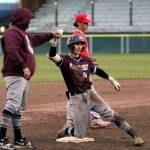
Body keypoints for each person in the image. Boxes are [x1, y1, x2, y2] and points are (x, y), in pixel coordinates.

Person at [48, 34, 144, 146]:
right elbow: (52, 56)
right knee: (80, 134)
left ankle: (135, 136)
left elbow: (97, 70)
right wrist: (55, 41)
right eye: (76, 44)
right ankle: (66, 131)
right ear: (70, 46)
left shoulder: (86, 60)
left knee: (112, 115)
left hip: (91, 94)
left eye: (81, 44)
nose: (79, 46)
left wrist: (111, 79)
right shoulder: (65, 60)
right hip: (77, 99)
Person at [0, 7, 61, 150]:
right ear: (22, 19)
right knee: (12, 105)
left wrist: (51, 34)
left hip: (22, 76)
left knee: (18, 108)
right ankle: (1, 138)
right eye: (28, 19)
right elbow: (11, 50)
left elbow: (35, 39)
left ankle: (18, 138)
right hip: (16, 73)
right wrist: (23, 66)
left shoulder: (21, 33)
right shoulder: (12, 33)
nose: (29, 21)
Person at [66, 12, 111, 129]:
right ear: (79, 23)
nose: (87, 25)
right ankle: (93, 120)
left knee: (78, 94)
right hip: (81, 70)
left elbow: (81, 54)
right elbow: (75, 54)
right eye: (85, 23)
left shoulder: (80, 34)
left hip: (83, 68)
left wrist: (89, 60)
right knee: (87, 94)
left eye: (87, 23)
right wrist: (86, 63)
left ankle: (73, 121)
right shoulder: (77, 35)